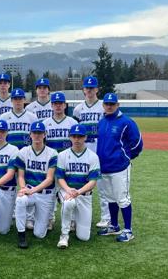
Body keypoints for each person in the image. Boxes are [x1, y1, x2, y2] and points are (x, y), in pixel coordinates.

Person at [97, 93, 143, 242]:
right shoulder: (102, 121)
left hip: (120, 167)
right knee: (110, 198)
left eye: (112, 104)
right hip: (104, 167)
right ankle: (114, 226)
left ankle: (128, 230)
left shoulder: (126, 122)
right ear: (103, 105)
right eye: (107, 104)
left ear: (118, 105)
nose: (109, 106)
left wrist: (127, 158)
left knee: (122, 199)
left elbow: (137, 143)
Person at [56, 124, 101, 249]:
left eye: (80, 136)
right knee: (69, 202)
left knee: (84, 237)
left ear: (85, 137)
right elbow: (60, 178)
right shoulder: (63, 155)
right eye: (74, 136)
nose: (77, 139)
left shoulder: (93, 156)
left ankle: (74, 219)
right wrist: (69, 190)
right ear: (70, 137)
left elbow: (93, 182)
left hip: (84, 195)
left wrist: (78, 192)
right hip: (67, 190)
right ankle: (64, 235)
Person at [14, 121, 58, 248]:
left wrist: (31, 191)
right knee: (21, 200)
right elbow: (20, 176)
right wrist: (23, 188)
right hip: (29, 190)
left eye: (40, 133)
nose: (37, 136)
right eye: (35, 133)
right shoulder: (23, 151)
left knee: (40, 234)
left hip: (45, 194)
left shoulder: (52, 153)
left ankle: (36, 218)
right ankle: (21, 234)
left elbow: (50, 179)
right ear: (30, 135)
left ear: (45, 135)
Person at [73, 76, 109, 228]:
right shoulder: (78, 109)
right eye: (87, 88)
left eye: (92, 87)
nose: (89, 90)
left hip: (99, 145)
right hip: (83, 146)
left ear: (97, 89)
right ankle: (77, 216)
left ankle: (106, 217)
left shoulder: (103, 106)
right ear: (83, 90)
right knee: (79, 180)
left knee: (102, 183)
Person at [43, 92, 78, 231]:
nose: (58, 106)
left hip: (68, 162)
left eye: (60, 103)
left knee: (69, 190)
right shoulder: (45, 123)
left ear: (64, 105)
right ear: (51, 105)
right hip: (50, 162)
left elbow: (77, 144)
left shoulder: (72, 122)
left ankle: (72, 220)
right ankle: (50, 218)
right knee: (50, 191)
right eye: (55, 104)